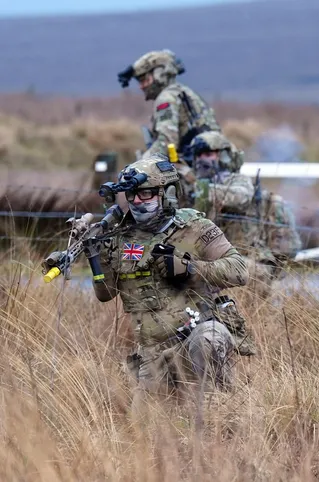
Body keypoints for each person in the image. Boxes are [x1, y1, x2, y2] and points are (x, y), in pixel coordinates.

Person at [54, 155, 250, 410]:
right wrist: (96, 253)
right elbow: (105, 293)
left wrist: (190, 269)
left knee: (208, 341)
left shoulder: (195, 227)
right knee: (144, 432)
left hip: (196, 336)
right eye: (132, 194)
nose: (136, 201)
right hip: (152, 354)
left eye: (145, 194)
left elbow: (239, 270)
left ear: (165, 193)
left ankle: (217, 410)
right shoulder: (119, 237)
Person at [189, 131, 301, 297]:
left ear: (224, 156)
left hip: (248, 263)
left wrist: (200, 190)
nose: (201, 160)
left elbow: (240, 196)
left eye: (208, 154)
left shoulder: (236, 181)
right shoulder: (195, 184)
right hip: (217, 262)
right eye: (198, 155)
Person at [117, 49, 221, 205]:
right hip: (206, 170)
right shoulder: (185, 92)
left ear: (159, 75)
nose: (141, 86)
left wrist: (139, 167)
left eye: (144, 79)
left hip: (189, 173)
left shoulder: (166, 98)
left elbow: (166, 142)